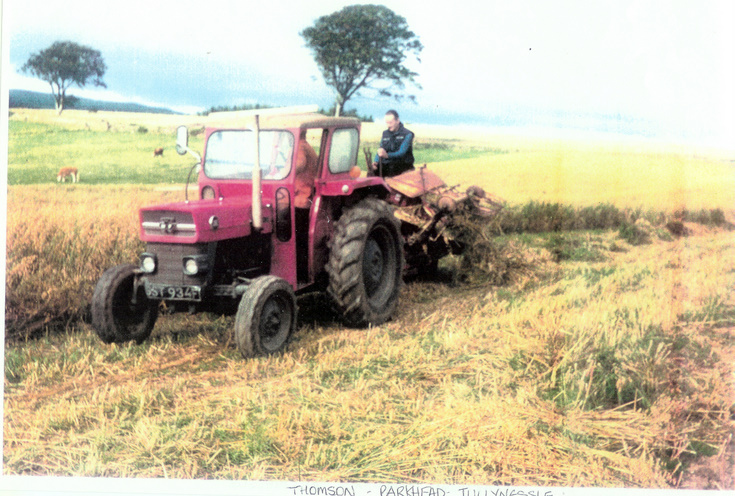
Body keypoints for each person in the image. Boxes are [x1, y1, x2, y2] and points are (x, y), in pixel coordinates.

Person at [372, 110, 415, 177]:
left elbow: (401, 152)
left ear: (397, 121)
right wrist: (376, 161)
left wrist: (387, 155)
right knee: (372, 174)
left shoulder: (408, 134)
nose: (388, 125)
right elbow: (381, 149)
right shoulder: (385, 133)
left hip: (402, 166)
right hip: (388, 165)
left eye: (390, 123)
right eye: (387, 123)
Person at [294, 130, 319, 209]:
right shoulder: (306, 146)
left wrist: (282, 172)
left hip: (300, 195)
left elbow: (299, 165)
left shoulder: (299, 147)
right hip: (305, 190)